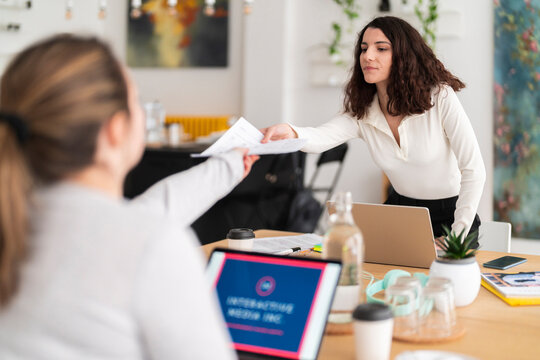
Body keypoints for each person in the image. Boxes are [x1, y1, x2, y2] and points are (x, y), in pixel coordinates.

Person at [0, 34, 258, 358]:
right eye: (136, 101)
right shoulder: (151, 246)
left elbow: (157, 208)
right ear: (115, 129)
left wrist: (230, 165)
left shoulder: (17, 219)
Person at [261, 16, 486, 246]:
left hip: (454, 216)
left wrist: (456, 234)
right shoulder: (363, 111)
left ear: (403, 55)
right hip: (401, 214)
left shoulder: (440, 97)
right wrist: (290, 131)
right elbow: (321, 137)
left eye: (381, 48)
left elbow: (474, 170)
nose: (368, 56)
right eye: (364, 48)